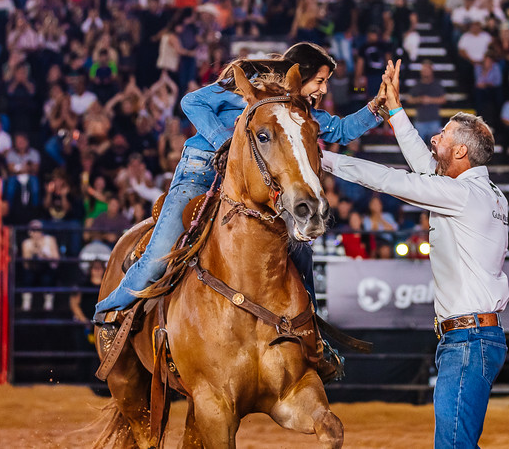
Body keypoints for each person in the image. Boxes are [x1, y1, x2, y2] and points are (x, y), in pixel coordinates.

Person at [95, 42, 385, 319]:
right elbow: (191, 101)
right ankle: (108, 311)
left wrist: (377, 106)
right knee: (158, 256)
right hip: (201, 172)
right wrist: (226, 143)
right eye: (320, 80)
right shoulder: (246, 86)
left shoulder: (297, 112)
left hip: (253, 186)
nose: (323, 89)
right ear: (302, 74)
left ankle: (311, 332)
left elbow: (341, 130)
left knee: (300, 252)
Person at [322, 60, 508, 448]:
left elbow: (394, 180)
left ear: (460, 150)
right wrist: (394, 110)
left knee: (454, 444)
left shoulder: (460, 195)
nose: (435, 135)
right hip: (474, 335)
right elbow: (426, 169)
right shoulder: (482, 192)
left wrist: (320, 157)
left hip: (469, 338)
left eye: (444, 132)